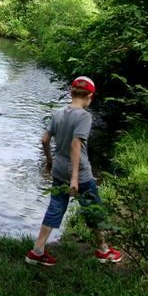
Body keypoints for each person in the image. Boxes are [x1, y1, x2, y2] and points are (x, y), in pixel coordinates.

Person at [25, 76, 122, 266]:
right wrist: (75, 178)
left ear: (71, 92)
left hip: (59, 169)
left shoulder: (58, 113)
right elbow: (76, 144)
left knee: (55, 206)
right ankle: (103, 250)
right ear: (90, 96)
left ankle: (37, 250)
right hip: (81, 173)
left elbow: (45, 140)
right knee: (93, 208)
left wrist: (50, 162)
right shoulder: (85, 116)